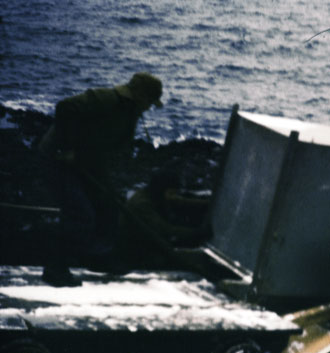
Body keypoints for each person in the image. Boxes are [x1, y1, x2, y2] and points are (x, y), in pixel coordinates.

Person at [38, 72, 163, 287]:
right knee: (80, 213)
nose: (150, 107)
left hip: (87, 162)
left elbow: (105, 140)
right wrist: (67, 147)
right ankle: (55, 268)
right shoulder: (106, 99)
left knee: (109, 204)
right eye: (150, 102)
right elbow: (65, 107)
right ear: (139, 95)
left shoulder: (130, 111)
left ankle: (97, 258)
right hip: (58, 159)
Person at [116, 168, 212, 270]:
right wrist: (197, 232)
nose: (173, 196)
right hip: (134, 253)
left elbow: (179, 201)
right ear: (161, 189)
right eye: (171, 193)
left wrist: (205, 203)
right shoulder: (142, 204)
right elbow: (166, 229)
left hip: (146, 245)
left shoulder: (153, 194)